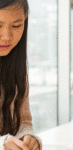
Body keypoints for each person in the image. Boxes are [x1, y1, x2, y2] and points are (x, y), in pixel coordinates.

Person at [0, 0, 42, 150]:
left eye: (16, 26)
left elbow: (23, 122)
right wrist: (2, 143)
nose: (7, 36)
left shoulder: (15, 64)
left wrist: (28, 138)